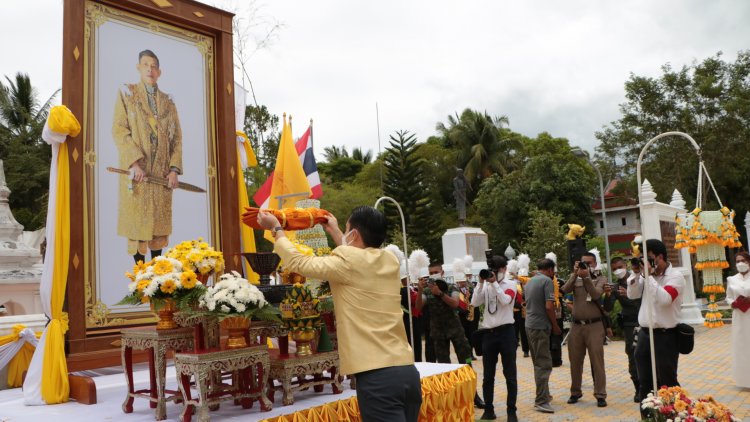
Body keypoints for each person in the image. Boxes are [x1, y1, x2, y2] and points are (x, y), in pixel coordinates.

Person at [257, 206, 421, 421]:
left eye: (347, 229)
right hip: (406, 372)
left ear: (354, 234)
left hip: (377, 376)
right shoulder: (390, 260)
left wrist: (276, 229)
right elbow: (356, 258)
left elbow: (299, 262)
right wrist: (335, 231)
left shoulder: (348, 261)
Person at [113, 49, 182, 263]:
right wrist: (133, 163)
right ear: (138, 67)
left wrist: (173, 170)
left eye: (153, 66)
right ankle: (140, 282)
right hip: (138, 174)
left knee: (158, 230)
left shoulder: (168, 102)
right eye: (145, 65)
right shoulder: (127, 93)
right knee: (137, 227)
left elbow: (176, 138)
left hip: (161, 175)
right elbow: (119, 129)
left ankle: (157, 280)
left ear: (159, 71)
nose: (150, 69)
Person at [627, 239, 685, 418]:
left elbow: (665, 299)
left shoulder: (675, 277)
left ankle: (672, 417)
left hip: (665, 336)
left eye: (650, 259)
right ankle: (648, 418)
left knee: (667, 382)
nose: (647, 263)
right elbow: (632, 294)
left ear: (660, 257)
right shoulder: (646, 276)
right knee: (645, 381)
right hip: (645, 334)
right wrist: (637, 274)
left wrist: (649, 277)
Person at [415, 261, 484, 409]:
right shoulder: (426, 291)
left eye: (436, 272)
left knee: (466, 363)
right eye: (431, 273)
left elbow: (454, 304)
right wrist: (420, 290)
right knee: (444, 367)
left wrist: (440, 293)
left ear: (442, 273)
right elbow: (419, 307)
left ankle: (474, 395)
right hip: (438, 333)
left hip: (455, 330)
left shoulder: (451, 287)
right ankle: (450, 399)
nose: (433, 275)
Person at [471, 256, 518, 422]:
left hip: (506, 333)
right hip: (488, 334)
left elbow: (506, 301)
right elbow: (475, 303)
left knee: (510, 375)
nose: (493, 274)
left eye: (496, 270)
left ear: (504, 269)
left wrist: (495, 284)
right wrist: (481, 283)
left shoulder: (511, 284)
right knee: (488, 376)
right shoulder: (487, 285)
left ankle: (511, 411)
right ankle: (489, 410)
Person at [561, 252, 608, 407]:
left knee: (597, 361)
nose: (585, 265)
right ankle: (575, 392)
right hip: (576, 326)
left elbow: (595, 295)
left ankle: (600, 394)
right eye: (583, 262)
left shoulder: (601, 278)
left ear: (594, 264)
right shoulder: (575, 277)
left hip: (594, 325)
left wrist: (587, 277)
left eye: (589, 263)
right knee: (575, 361)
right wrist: (575, 275)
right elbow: (565, 289)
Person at [524, 258, 562, 414]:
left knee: (538, 362)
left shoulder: (530, 281)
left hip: (530, 325)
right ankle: (541, 401)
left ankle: (544, 394)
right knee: (544, 364)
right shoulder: (547, 281)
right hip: (540, 326)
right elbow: (549, 306)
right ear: (550, 270)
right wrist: (555, 325)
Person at [610, 256, 642, 401]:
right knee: (632, 355)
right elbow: (608, 307)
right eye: (614, 269)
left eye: (619, 267)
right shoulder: (616, 287)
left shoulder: (637, 279)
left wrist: (628, 295)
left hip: (643, 322)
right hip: (629, 325)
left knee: (647, 353)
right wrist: (608, 294)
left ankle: (654, 385)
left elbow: (643, 303)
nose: (618, 271)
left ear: (625, 265)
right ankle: (638, 389)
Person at [726, 251, 750, 388]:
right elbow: (728, 296)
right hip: (739, 317)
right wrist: (733, 303)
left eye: (744, 261)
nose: (740, 263)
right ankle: (744, 380)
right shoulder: (731, 279)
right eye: (738, 261)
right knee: (741, 347)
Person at [508, 260, 530, 358]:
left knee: (527, 331)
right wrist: (520, 305)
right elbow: (512, 298)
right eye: (522, 277)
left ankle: (528, 349)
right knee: (518, 330)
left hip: (529, 309)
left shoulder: (530, 284)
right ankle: (520, 349)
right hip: (518, 310)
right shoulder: (515, 285)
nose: (523, 279)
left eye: (525, 277)